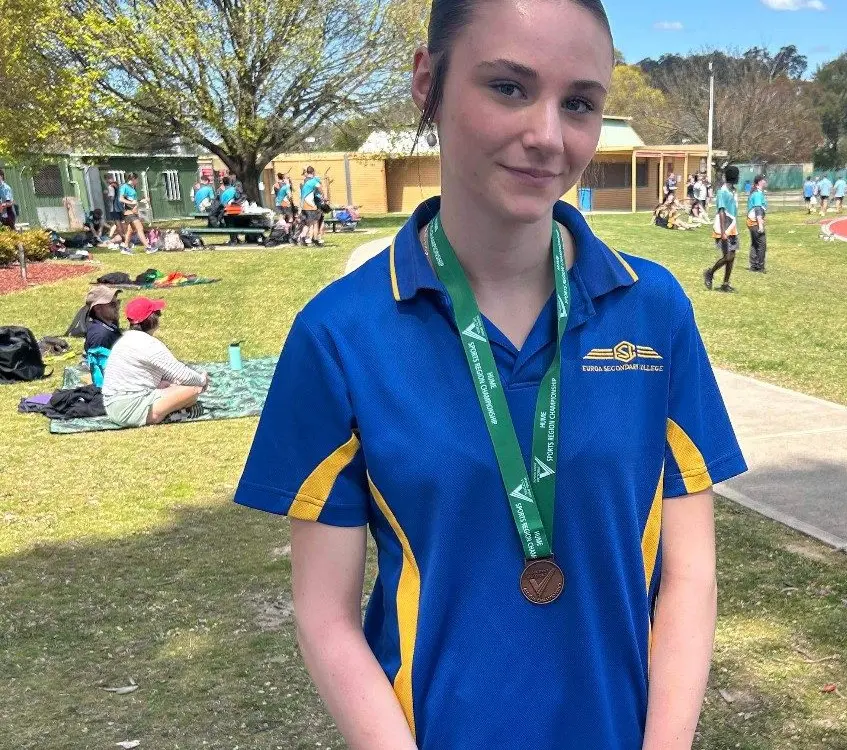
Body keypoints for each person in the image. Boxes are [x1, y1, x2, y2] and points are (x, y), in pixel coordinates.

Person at [232, 0, 746, 746]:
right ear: (426, 81)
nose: (545, 135)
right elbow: (325, 615)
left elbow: (690, 575)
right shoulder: (339, 334)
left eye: (578, 103)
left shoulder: (652, 312)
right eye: (508, 87)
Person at [101, 297, 209, 427]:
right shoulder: (148, 344)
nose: (159, 317)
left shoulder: (125, 339)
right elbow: (182, 374)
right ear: (151, 319)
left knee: (173, 386)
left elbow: (167, 373)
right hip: (130, 409)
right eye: (157, 314)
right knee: (193, 390)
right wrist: (202, 380)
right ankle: (166, 415)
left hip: (113, 407)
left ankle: (171, 410)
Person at [703, 165, 740, 292]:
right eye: (737, 175)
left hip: (733, 227)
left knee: (732, 256)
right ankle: (710, 272)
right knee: (728, 256)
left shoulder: (733, 191)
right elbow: (722, 211)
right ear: (733, 177)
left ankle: (725, 283)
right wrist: (724, 232)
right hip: (724, 228)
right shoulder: (722, 192)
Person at [119, 173, 155, 254]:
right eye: (137, 179)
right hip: (128, 212)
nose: (138, 181)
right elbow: (121, 199)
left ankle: (125, 247)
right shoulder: (124, 187)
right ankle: (148, 248)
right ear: (132, 179)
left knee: (130, 230)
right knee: (140, 228)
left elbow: (134, 200)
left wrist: (142, 200)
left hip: (134, 212)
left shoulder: (133, 187)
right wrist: (131, 203)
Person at [83, 285, 123, 354]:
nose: (117, 307)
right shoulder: (100, 335)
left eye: (118, 302)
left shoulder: (109, 325)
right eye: (112, 304)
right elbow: (98, 363)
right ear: (98, 309)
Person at [298, 166, 325, 246]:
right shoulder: (314, 181)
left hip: (303, 205)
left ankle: (302, 237)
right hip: (310, 205)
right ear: (313, 172)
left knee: (308, 223)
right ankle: (315, 239)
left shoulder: (305, 182)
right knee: (315, 222)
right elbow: (320, 188)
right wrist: (323, 196)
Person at [746, 174, 768, 273]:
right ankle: (759, 266)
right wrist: (760, 225)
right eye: (764, 180)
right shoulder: (757, 194)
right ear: (759, 182)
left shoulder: (756, 193)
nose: (765, 181)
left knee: (755, 244)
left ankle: (753, 265)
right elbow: (758, 210)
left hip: (752, 222)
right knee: (762, 244)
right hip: (755, 222)